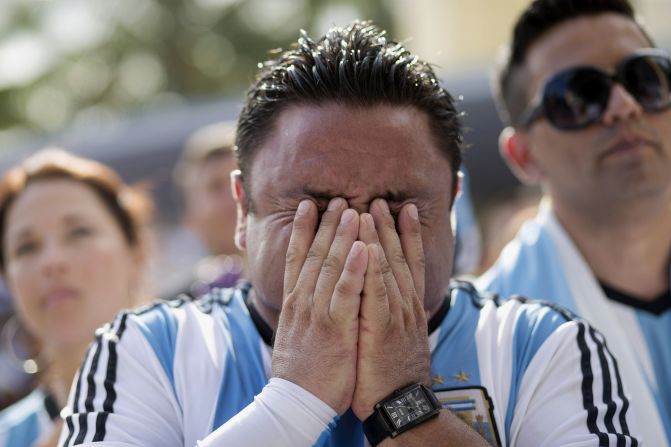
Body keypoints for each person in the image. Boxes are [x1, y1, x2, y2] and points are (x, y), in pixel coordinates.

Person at [59, 21, 638, 446]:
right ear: (244, 207)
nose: (357, 237)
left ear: (453, 202)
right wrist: (296, 398)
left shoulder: (541, 345)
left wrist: (405, 406)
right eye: (315, 205)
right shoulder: (147, 350)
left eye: (397, 204)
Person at [477, 0, 671, 444]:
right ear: (522, 156)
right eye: (579, 95)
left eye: (645, 79)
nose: (624, 107)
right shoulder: (491, 339)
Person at [0, 149, 153, 446]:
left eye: (79, 232)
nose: (52, 261)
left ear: (137, 249)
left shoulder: (230, 393)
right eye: (26, 247)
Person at [173, 121, 245, 297]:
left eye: (242, 179)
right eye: (216, 186)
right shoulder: (177, 316)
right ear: (190, 219)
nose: (235, 196)